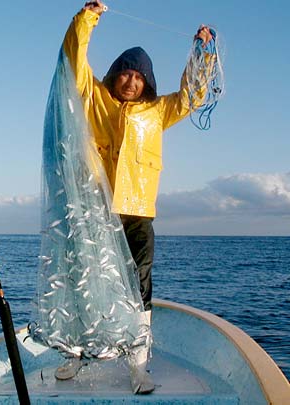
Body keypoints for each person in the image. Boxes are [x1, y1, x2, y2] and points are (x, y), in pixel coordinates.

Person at [55, 0, 214, 394]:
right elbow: (73, 59)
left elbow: (193, 96)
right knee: (82, 282)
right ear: (114, 76)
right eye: (125, 73)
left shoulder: (158, 111)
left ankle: (138, 366)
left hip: (137, 214)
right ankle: (74, 354)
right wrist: (87, 17)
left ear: (147, 83)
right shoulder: (95, 101)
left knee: (139, 288)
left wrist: (202, 52)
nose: (130, 81)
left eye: (138, 77)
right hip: (93, 211)